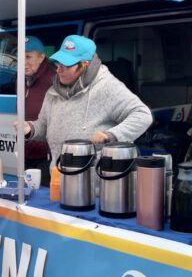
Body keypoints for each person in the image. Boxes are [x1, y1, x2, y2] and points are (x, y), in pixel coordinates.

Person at [23, 35, 152, 161]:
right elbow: (44, 125)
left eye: (66, 65)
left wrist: (111, 135)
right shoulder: (53, 92)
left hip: (94, 177)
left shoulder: (107, 87)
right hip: (59, 173)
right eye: (58, 63)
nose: (59, 70)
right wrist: (31, 129)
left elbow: (142, 115)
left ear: (85, 64)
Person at [21, 37, 54, 186]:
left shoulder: (54, 80)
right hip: (26, 151)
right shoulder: (22, 79)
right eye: (20, 57)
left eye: (28, 56)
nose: (23, 62)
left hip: (46, 154)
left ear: (41, 57)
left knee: (44, 195)